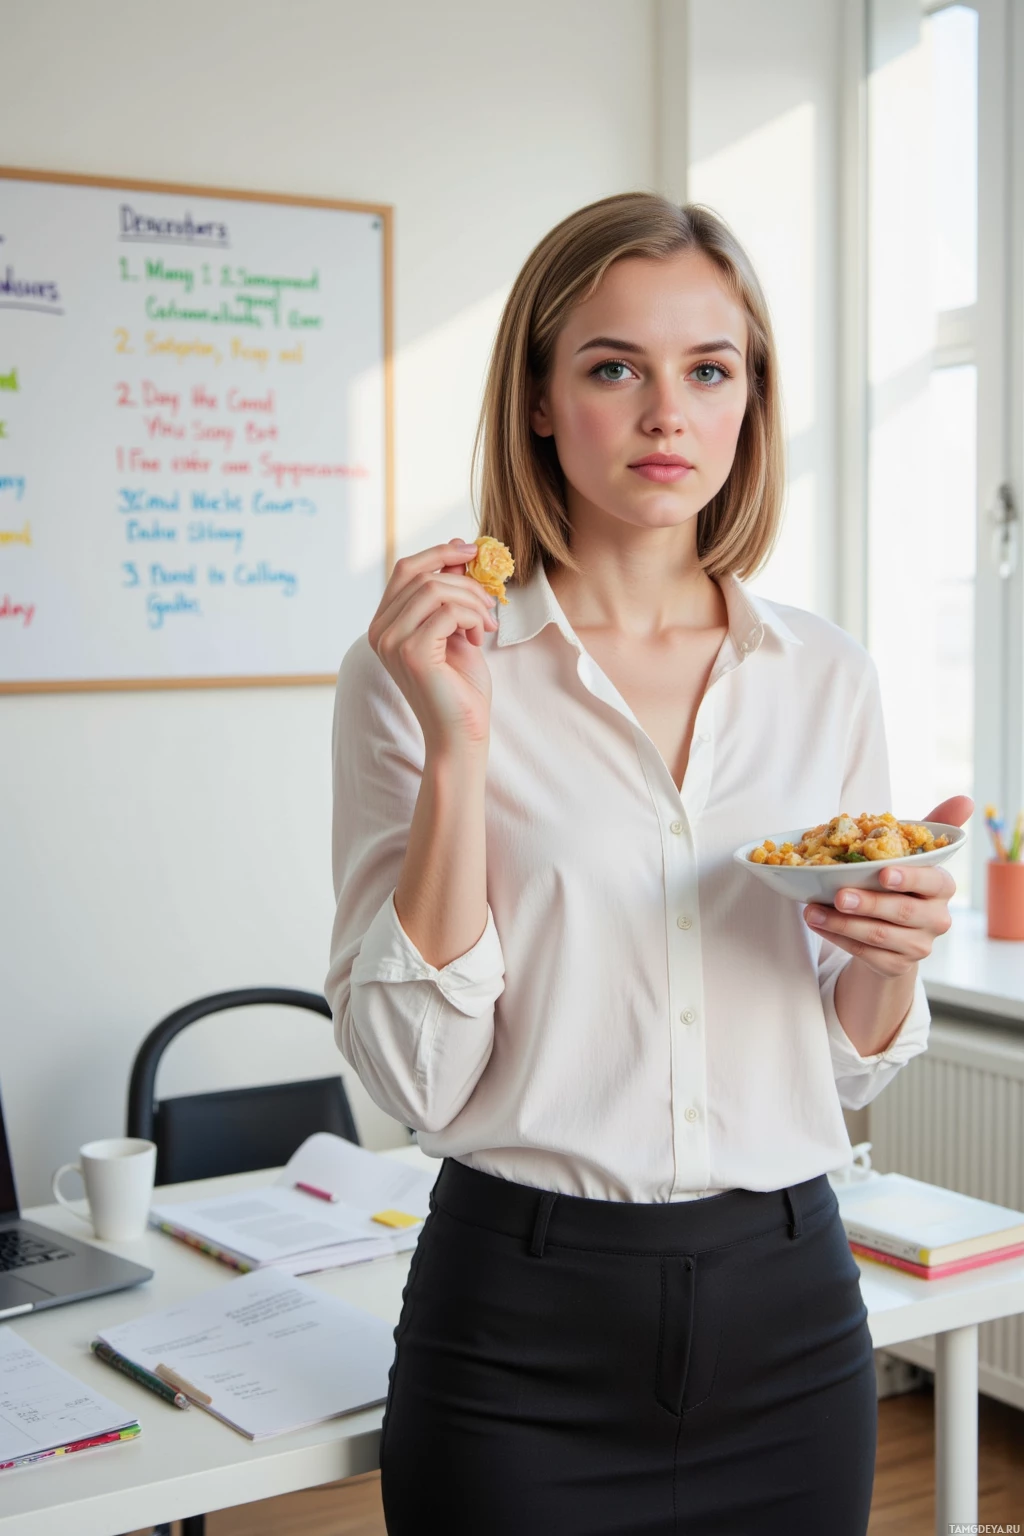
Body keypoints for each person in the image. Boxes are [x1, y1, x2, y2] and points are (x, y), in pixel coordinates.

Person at [325, 193, 970, 1536]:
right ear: (545, 400)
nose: (667, 413)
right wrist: (460, 751)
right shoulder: (420, 667)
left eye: (709, 369)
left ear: (749, 403)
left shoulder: (825, 676)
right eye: (616, 366)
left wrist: (888, 957)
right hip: (518, 1326)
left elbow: (844, 1062)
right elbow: (413, 1079)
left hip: (792, 1311)